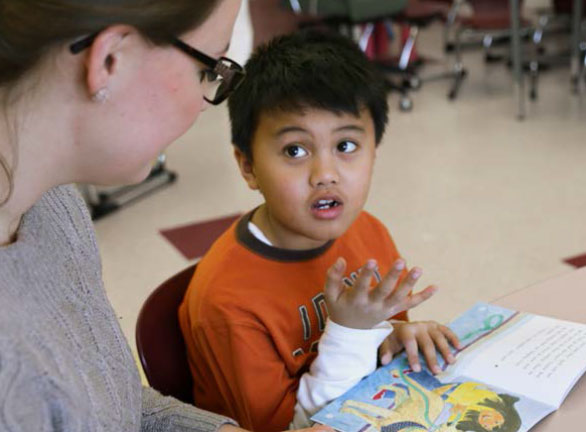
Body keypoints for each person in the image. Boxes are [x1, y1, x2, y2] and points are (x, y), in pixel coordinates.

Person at [0, 1, 331, 431]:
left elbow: (107, 409)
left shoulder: (51, 200)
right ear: (110, 60)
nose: (204, 103)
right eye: (208, 68)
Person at [178, 30, 461, 432]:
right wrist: (349, 332)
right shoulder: (227, 305)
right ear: (247, 166)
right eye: (295, 150)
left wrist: (402, 334)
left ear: (374, 152)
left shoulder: (367, 230)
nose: (325, 175)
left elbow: (382, 347)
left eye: (346, 146)